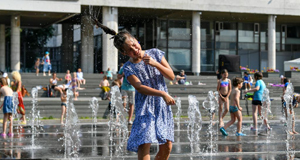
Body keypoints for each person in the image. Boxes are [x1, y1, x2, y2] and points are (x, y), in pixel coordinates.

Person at [95, 24, 175, 159]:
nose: (135, 50)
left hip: (161, 105)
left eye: (134, 44)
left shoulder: (155, 53)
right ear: (124, 53)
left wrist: (155, 63)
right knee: (144, 144)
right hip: (145, 106)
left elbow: (171, 76)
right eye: (130, 50)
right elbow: (139, 87)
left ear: (136, 40)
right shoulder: (128, 68)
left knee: (167, 145)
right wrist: (162, 93)